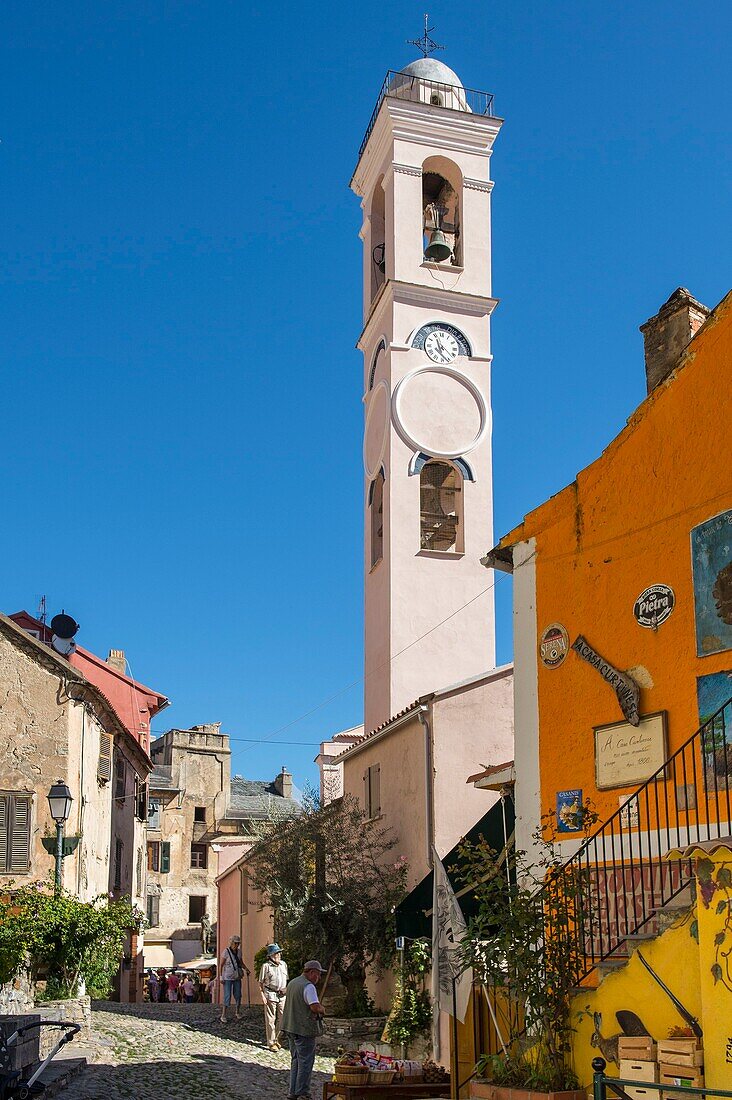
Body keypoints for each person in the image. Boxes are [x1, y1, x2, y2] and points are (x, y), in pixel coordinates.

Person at [281, 960, 326, 1100]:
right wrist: (322, 1009)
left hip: (290, 1027)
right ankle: (302, 1092)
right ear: (311, 972)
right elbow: (314, 1006)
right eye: (317, 975)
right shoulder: (308, 986)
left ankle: (292, 1091)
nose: (318, 978)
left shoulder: (293, 983)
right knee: (305, 1061)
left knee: (296, 1060)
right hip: (303, 1029)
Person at [258, 942, 288, 1051]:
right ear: (271, 956)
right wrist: (262, 995)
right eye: (276, 954)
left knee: (283, 1018)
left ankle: (278, 1040)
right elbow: (261, 983)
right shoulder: (266, 967)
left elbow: (286, 980)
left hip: (282, 995)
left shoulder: (284, 965)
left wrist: (286, 989)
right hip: (270, 994)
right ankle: (271, 1043)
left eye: (279, 953)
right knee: (271, 1019)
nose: (279, 956)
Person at [220, 934, 247, 1023]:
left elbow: (240, 962)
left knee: (238, 994)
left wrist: (246, 969)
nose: (236, 945)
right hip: (227, 977)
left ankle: (237, 1012)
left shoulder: (239, 952)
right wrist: (220, 976)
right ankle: (223, 1015)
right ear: (231, 943)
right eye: (235, 943)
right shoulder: (226, 952)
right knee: (227, 995)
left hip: (237, 976)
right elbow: (221, 965)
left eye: (238, 943)